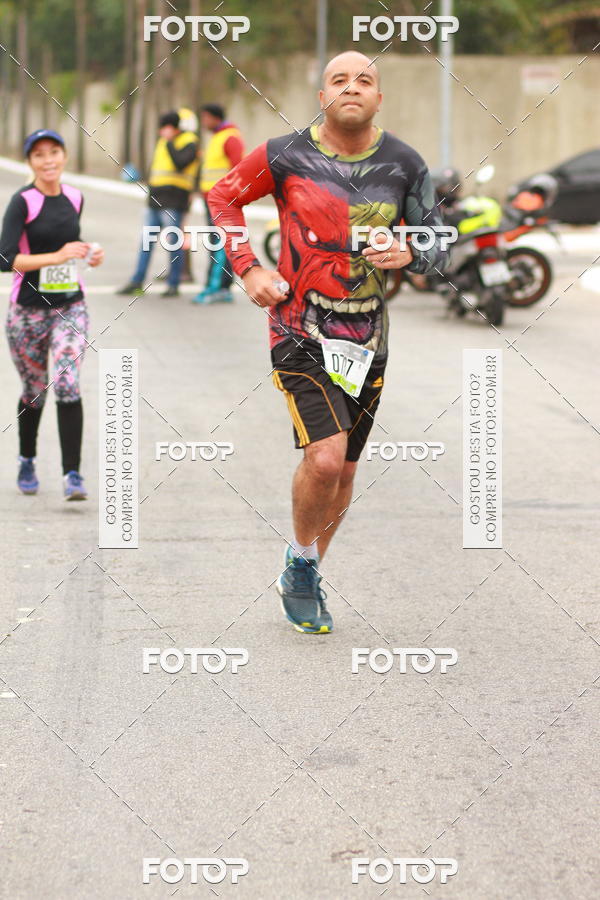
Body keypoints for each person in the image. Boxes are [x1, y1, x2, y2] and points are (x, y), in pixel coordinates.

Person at [208, 51, 449, 634]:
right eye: (339, 80)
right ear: (322, 98)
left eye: (365, 80)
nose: (352, 87)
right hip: (298, 329)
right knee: (325, 457)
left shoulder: (405, 163)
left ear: (378, 98)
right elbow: (223, 197)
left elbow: (440, 237)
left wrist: (412, 252)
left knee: (343, 473)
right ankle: (301, 563)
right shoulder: (284, 154)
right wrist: (248, 268)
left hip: (368, 337)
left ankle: (305, 566)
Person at [0, 128, 104, 500]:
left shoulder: (75, 197)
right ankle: (27, 459)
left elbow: (68, 244)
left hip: (70, 306)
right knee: (34, 390)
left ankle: (72, 475)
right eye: (39, 154)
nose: (48, 161)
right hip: (27, 312)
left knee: (67, 382)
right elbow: (5, 259)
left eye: (54, 152)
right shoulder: (22, 201)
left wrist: (89, 253)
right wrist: (56, 257)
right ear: (30, 161)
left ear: (64, 156)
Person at [118, 111, 199, 298]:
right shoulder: (162, 141)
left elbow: (180, 163)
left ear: (172, 127)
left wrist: (170, 142)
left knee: (173, 243)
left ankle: (173, 284)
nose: (161, 131)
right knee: (146, 242)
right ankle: (137, 281)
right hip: (155, 198)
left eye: (164, 127)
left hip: (174, 199)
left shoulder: (189, 141)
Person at [192, 104, 244, 305]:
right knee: (216, 243)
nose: (204, 122)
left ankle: (218, 287)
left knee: (221, 244)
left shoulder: (230, 137)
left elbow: (237, 169)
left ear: (216, 118)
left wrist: (229, 196)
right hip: (211, 199)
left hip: (222, 201)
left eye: (206, 117)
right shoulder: (216, 137)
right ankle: (219, 286)